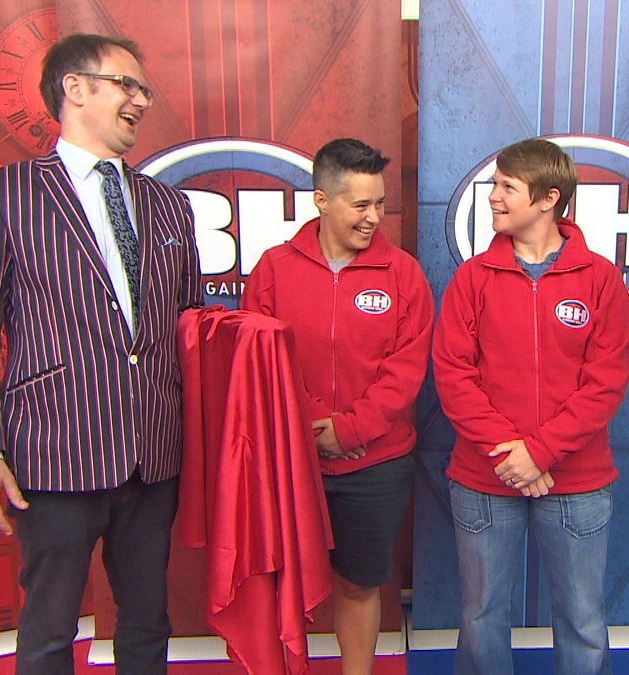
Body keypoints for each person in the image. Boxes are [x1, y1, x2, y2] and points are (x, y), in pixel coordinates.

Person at [0, 34, 201, 674]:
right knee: (50, 630)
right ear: (74, 87)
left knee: (148, 621)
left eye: (145, 90)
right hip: (53, 453)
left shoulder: (169, 205)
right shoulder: (3, 193)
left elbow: (191, 325)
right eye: (126, 85)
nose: (141, 101)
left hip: (152, 454)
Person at [432, 138, 629, 675]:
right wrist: (510, 453)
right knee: (481, 617)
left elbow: (605, 383)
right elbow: (453, 375)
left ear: (548, 199)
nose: (492, 196)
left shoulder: (600, 280)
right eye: (494, 184)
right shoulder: (471, 279)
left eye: (507, 187)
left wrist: (540, 451)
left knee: (582, 621)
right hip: (484, 477)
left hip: (576, 480)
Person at [241, 138, 433, 675]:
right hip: (289, 462)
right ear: (322, 200)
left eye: (380, 204)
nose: (373, 217)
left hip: (375, 465)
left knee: (358, 585)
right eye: (361, 205)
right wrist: (308, 427)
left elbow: (405, 371)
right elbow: (259, 360)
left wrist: (347, 430)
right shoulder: (274, 269)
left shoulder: (403, 274)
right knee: (282, 586)